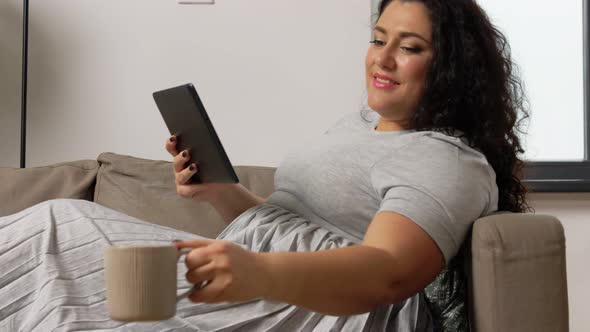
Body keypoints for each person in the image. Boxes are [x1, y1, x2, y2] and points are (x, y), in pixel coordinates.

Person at [0, 0, 531, 331]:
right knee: (60, 236)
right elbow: (288, 225)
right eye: (377, 39)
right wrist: (217, 191)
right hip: (268, 277)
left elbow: (389, 272)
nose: (382, 59)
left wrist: (258, 271)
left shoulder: (446, 161)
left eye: (409, 47)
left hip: (320, 307)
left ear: (451, 68)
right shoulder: (357, 126)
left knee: (59, 226)